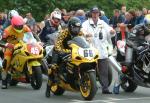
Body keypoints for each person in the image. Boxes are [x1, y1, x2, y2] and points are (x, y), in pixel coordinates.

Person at [82, 6, 116, 94]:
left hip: (102, 50)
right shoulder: (86, 23)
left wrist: (112, 31)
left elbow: (110, 30)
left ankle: (105, 88)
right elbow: (82, 31)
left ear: (99, 14)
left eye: (97, 13)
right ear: (91, 13)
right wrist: (86, 34)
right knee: (89, 70)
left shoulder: (103, 23)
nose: (95, 14)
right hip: (90, 50)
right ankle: (90, 87)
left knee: (104, 71)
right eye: (94, 13)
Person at [0, 15, 32, 89]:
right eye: (17, 26)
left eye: (21, 25)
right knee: (6, 62)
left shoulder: (25, 27)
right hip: (11, 47)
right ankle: (4, 82)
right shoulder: (7, 30)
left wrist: (37, 41)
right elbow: (1, 41)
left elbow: (32, 35)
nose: (19, 27)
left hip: (23, 45)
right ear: (13, 25)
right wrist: (7, 44)